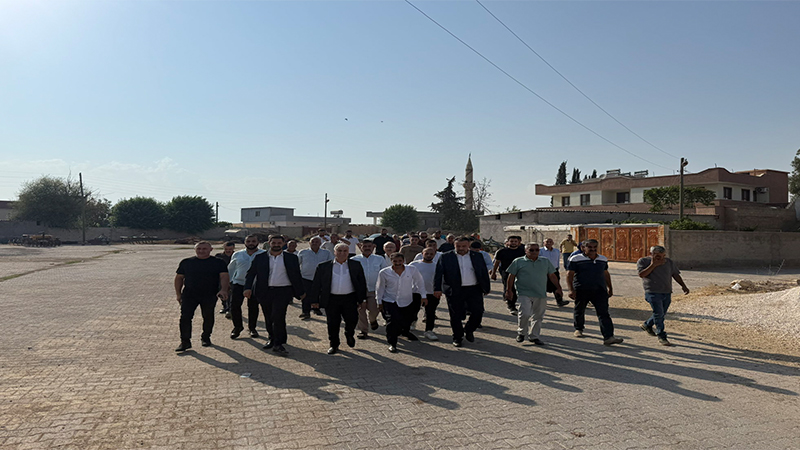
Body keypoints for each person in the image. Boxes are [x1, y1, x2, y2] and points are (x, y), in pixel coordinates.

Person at [244, 235, 305, 356]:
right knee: (268, 317)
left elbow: (296, 275)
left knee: (278, 316)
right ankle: (272, 338)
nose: (276, 245)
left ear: (283, 244)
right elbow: (251, 273)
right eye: (274, 242)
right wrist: (247, 288)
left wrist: (301, 292)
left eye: (279, 243)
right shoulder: (260, 257)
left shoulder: (291, 258)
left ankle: (278, 343)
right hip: (264, 291)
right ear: (269, 243)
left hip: (283, 291)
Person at [309, 243, 368, 355]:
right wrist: (314, 300)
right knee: (333, 323)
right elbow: (316, 284)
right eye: (339, 251)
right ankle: (334, 344)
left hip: (350, 298)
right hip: (331, 299)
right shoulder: (324, 266)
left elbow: (361, 283)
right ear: (334, 252)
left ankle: (349, 334)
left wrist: (362, 299)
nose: (342, 253)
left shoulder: (355, 265)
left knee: (352, 320)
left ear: (348, 252)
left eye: (345, 251)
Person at [434, 237, 491, 347]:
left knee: (478, 312)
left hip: (474, 289)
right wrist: (437, 289)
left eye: (464, 246)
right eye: (458, 246)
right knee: (456, 315)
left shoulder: (477, 256)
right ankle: (457, 337)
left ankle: (469, 329)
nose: (461, 248)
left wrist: (486, 287)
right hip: (454, 289)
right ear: (454, 245)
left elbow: (483, 272)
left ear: (468, 245)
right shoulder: (446, 257)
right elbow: (438, 274)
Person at [174, 241, 230, 352]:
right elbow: (179, 278)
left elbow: (224, 276)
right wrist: (178, 294)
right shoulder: (187, 262)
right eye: (199, 248)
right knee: (185, 317)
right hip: (190, 294)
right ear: (195, 250)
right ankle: (185, 342)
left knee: (208, 316)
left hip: (209, 294)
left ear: (211, 250)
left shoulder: (218, 262)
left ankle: (206, 337)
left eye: (204, 249)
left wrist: (223, 290)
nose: (201, 251)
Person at [567, 239, 623, 346]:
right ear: (583, 248)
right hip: (582, 289)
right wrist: (571, 290)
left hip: (599, 290)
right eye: (589, 247)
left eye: (594, 247)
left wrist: (610, 288)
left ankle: (608, 337)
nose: (592, 249)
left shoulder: (602, 259)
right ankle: (579, 328)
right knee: (580, 309)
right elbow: (569, 275)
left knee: (604, 313)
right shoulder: (576, 259)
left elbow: (606, 273)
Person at [505, 243, 562, 345]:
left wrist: (558, 288)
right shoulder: (518, 261)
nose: (534, 252)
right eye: (531, 250)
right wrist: (508, 290)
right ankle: (521, 332)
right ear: (526, 251)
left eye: (537, 250)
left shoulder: (545, 261)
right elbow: (511, 276)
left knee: (538, 316)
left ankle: (534, 336)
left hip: (540, 292)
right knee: (525, 313)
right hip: (524, 292)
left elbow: (552, 275)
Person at [637, 245, 690, 347]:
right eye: (657, 256)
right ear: (651, 254)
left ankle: (647, 325)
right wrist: (653, 265)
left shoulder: (668, 262)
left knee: (661, 313)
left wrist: (683, 286)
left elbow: (675, 274)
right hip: (652, 292)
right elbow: (642, 274)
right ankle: (661, 335)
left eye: (662, 256)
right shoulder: (643, 261)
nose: (660, 258)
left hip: (666, 292)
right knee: (658, 313)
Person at [376, 253, 427, 353]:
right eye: (395, 261)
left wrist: (423, 296)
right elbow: (379, 288)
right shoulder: (384, 272)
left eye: (400, 261)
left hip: (406, 300)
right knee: (392, 321)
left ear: (403, 260)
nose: (398, 263)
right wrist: (379, 301)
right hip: (390, 300)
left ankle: (405, 332)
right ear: (391, 261)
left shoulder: (412, 270)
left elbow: (419, 282)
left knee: (407, 319)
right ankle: (392, 343)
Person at [228, 235, 265, 339]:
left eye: (253, 241)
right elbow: (231, 269)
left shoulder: (263, 254)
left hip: (255, 285)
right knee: (234, 306)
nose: (251, 243)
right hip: (238, 283)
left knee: (253, 307)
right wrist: (228, 283)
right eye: (248, 241)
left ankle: (252, 328)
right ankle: (237, 327)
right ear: (245, 242)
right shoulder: (238, 254)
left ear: (258, 242)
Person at [352, 239, 388, 339]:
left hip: (374, 290)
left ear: (373, 247)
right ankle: (363, 330)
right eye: (365, 246)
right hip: (360, 291)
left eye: (369, 246)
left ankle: (372, 320)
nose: (367, 248)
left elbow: (384, 273)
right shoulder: (354, 260)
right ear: (361, 247)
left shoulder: (379, 259)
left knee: (374, 310)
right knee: (361, 311)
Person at [297, 236, 333, 319]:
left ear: (320, 243)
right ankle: (305, 312)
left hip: (321, 279)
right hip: (306, 277)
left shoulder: (326, 253)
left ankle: (316, 309)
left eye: (317, 242)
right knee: (305, 295)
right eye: (313, 242)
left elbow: (331, 264)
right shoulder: (303, 252)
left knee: (318, 295)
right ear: (309, 243)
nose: (315, 243)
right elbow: (297, 264)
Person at [409, 247, 439, 341]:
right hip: (415, 292)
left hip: (431, 292)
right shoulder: (414, 265)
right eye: (427, 253)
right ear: (422, 253)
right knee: (413, 309)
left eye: (431, 254)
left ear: (434, 254)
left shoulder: (437, 266)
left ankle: (429, 330)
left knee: (430, 312)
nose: (429, 255)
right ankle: (412, 322)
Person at [491, 235, 526, 315]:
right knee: (509, 287)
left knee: (518, 288)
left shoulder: (522, 251)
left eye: (515, 241)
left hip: (519, 272)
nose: (513, 243)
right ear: (508, 242)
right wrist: (493, 273)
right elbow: (497, 262)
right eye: (512, 241)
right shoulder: (502, 251)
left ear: (518, 242)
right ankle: (511, 306)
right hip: (506, 272)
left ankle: (512, 300)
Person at [540, 238, 569, 307]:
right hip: (543, 271)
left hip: (554, 270)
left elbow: (557, 260)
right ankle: (540, 302)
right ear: (543, 243)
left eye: (550, 241)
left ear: (553, 243)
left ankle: (559, 301)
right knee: (542, 286)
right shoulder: (540, 251)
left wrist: (558, 268)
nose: (549, 243)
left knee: (556, 285)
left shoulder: (556, 251)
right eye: (547, 242)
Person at [216, 241, 236, 317]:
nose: (228, 250)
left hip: (233, 277)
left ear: (233, 248)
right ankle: (225, 306)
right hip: (221, 278)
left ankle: (230, 309)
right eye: (226, 249)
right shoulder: (219, 256)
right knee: (222, 293)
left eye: (230, 249)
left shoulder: (237, 255)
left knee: (231, 294)